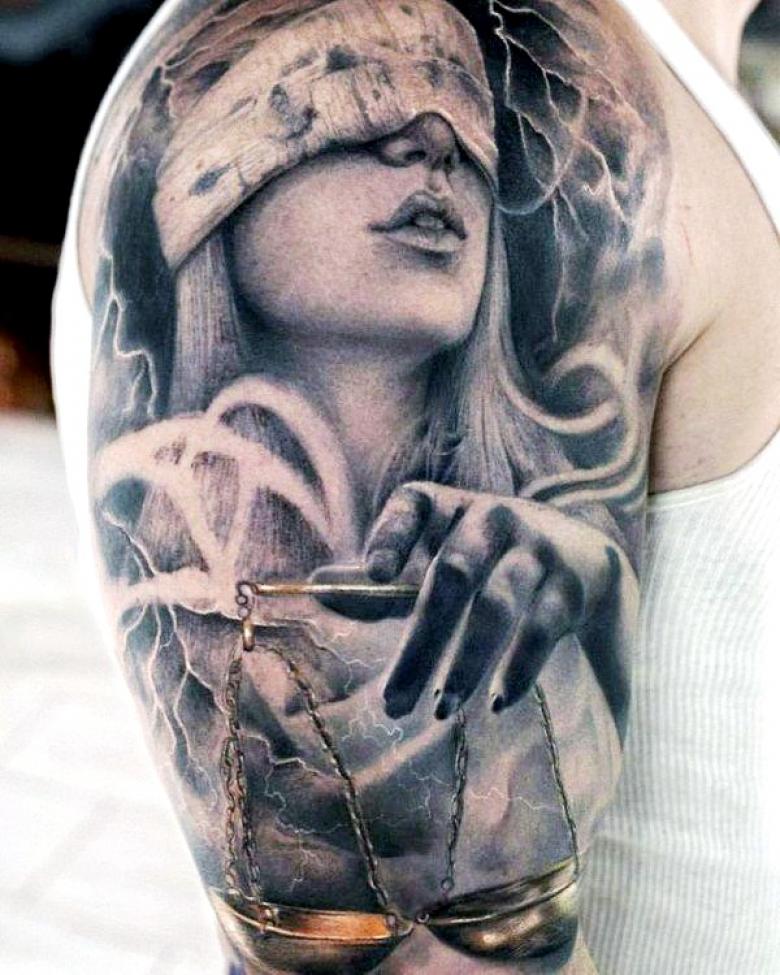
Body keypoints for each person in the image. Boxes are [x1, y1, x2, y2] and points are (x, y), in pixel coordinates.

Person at [51, 0, 779, 972]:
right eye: (352, 97)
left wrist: (597, 599)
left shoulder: (678, 76)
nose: (433, 144)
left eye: (456, 119)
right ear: (215, 193)